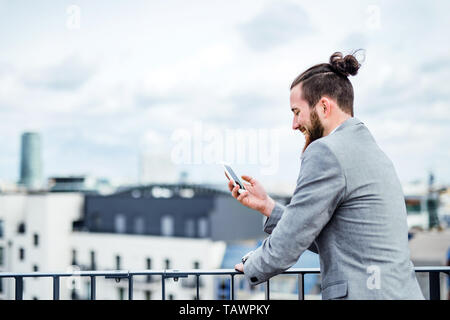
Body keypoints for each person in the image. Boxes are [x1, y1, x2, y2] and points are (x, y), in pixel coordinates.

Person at [228, 51, 424, 299]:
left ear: (323, 106)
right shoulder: (371, 151)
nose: (294, 124)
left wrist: (254, 266)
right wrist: (267, 206)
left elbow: (291, 240)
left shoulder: (326, 152)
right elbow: (334, 238)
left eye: (296, 112)